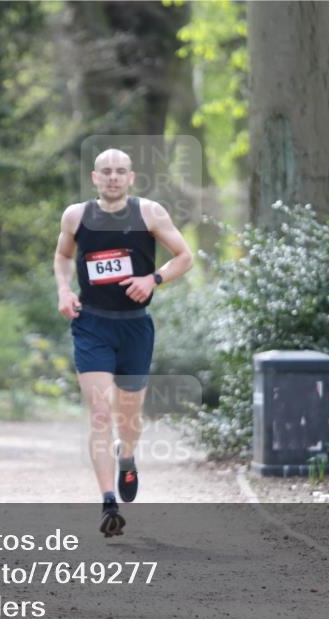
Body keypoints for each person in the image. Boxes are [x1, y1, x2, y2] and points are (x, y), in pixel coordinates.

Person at [54, 148, 193, 536]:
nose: (112, 178)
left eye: (120, 172)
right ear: (95, 178)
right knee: (100, 413)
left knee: (128, 419)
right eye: (105, 172)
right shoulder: (76, 216)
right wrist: (64, 290)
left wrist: (154, 279)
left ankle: (126, 457)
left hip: (135, 326)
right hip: (91, 324)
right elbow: (63, 257)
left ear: (131, 178)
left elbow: (184, 256)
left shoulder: (150, 212)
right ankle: (107, 502)